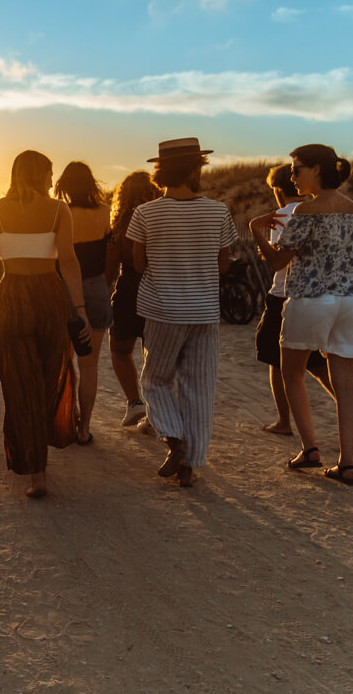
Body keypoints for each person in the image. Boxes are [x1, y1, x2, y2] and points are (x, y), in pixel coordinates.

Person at [250, 144, 353, 485]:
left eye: (297, 169)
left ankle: (310, 450)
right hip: (349, 304)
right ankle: (346, 463)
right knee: (345, 385)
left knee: (292, 372)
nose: (292, 176)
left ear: (317, 170)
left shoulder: (306, 211)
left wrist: (255, 230)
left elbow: (278, 262)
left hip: (310, 299)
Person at [0, 150, 89, 498]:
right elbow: (68, 261)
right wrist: (79, 308)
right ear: (39, 175)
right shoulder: (58, 210)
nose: (53, 180)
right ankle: (42, 447)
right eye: (50, 173)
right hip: (49, 298)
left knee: (19, 382)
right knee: (49, 375)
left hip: (11, 300)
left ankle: (36, 473)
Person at [127, 138, 236, 488]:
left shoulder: (146, 212)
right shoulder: (218, 211)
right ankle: (190, 465)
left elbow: (138, 262)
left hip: (162, 309)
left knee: (155, 379)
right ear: (193, 170)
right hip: (203, 310)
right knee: (198, 385)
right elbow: (223, 265)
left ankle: (173, 438)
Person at [254, 164, 333, 435]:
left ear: (278, 190)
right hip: (318, 295)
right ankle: (347, 411)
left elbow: (278, 261)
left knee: (278, 362)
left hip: (284, 295)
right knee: (318, 364)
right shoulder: (321, 211)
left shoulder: (282, 215)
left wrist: (257, 235)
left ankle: (285, 422)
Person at [54, 161, 112, 445]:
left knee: (64, 361)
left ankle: (66, 419)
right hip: (97, 288)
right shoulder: (104, 212)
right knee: (89, 365)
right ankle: (85, 428)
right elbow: (110, 248)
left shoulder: (57, 213)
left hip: (63, 290)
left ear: (63, 185)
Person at [108, 170, 162, 431]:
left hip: (129, 288)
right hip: (160, 287)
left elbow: (110, 265)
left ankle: (134, 402)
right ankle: (155, 412)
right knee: (153, 353)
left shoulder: (120, 223)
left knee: (120, 349)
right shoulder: (162, 217)